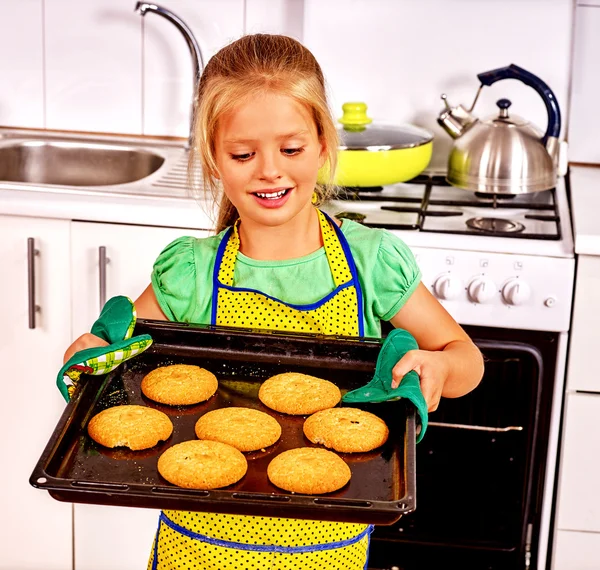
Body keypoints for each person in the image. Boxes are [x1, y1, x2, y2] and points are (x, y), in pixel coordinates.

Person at [63, 33, 484, 569]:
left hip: (325, 547)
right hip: (197, 547)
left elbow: (466, 359)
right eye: (243, 153)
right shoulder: (192, 272)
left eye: (291, 149)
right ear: (214, 159)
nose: (269, 170)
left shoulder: (371, 261)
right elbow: (114, 359)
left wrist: (440, 365)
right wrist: (92, 354)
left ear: (324, 145)